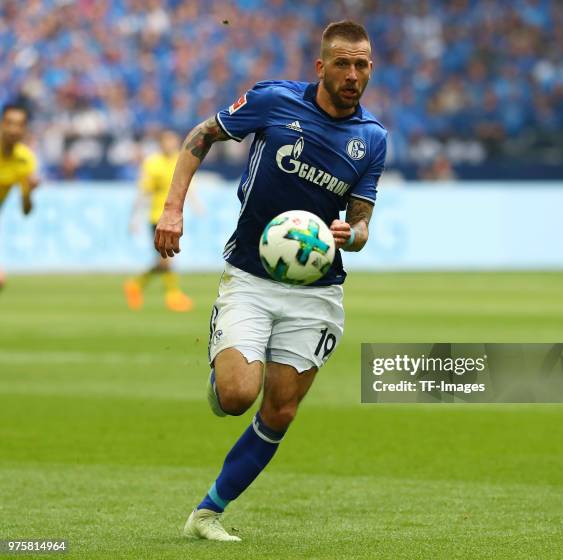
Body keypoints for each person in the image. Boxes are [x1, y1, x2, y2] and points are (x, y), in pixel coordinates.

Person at [155, 20, 387, 541]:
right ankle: (223, 372)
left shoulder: (372, 139)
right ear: (321, 66)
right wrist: (172, 209)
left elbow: (364, 222)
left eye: (363, 65)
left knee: (280, 408)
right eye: (344, 64)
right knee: (238, 395)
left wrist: (352, 234)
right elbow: (203, 134)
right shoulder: (275, 101)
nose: (353, 75)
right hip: (252, 277)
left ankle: (208, 512)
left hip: (318, 292)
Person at [124, 129, 195, 312]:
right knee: (166, 258)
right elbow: (143, 191)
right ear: (161, 143)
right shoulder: (152, 163)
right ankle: (172, 295)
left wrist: (196, 203)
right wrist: (135, 218)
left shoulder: (179, 160)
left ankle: (136, 285)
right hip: (158, 217)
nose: (170, 144)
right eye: (166, 141)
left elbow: (185, 184)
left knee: (165, 259)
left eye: (173, 141)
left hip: (175, 216)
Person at [0, 104, 39, 289]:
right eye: (9, 123)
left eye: (19, 124)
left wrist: (29, 193)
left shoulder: (25, 160)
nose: (14, 129)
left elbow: (26, 211)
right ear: (2, 124)